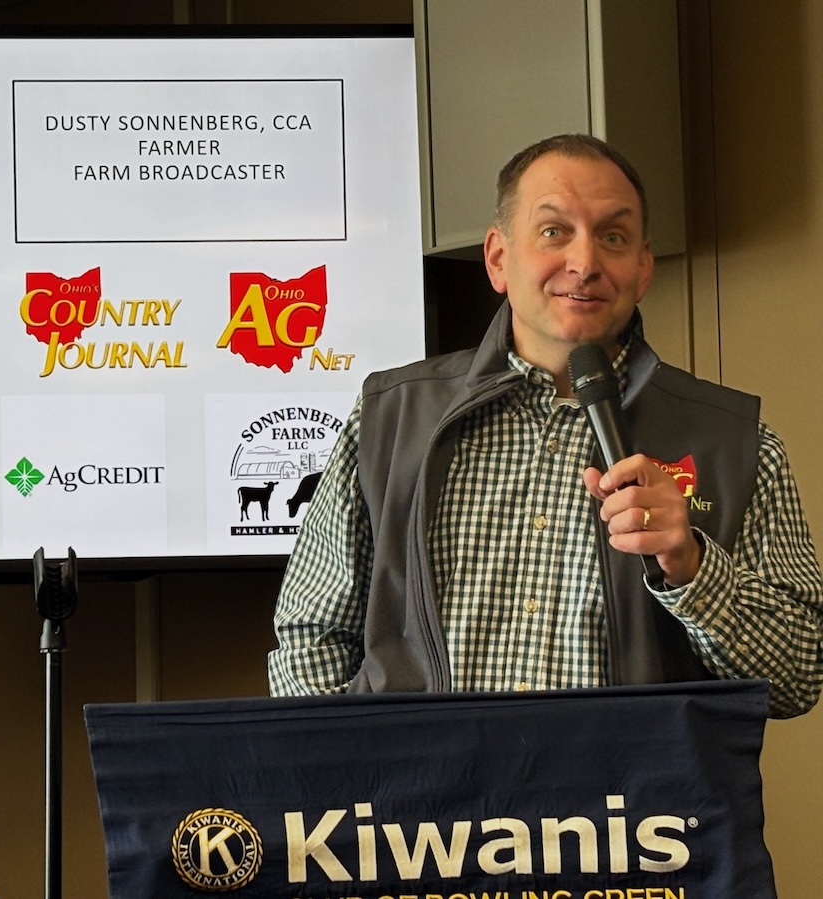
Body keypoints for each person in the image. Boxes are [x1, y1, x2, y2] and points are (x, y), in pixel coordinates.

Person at [268, 134, 823, 719]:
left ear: (642, 268)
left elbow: (796, 679)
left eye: (613, 237)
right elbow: (311, 638)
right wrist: (369, 763)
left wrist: (693, 567)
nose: (585, 263)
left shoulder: (735, 444)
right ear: (498, 258)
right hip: (426, 781)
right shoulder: (389, 417)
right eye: (554, 231)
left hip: (628, 782)